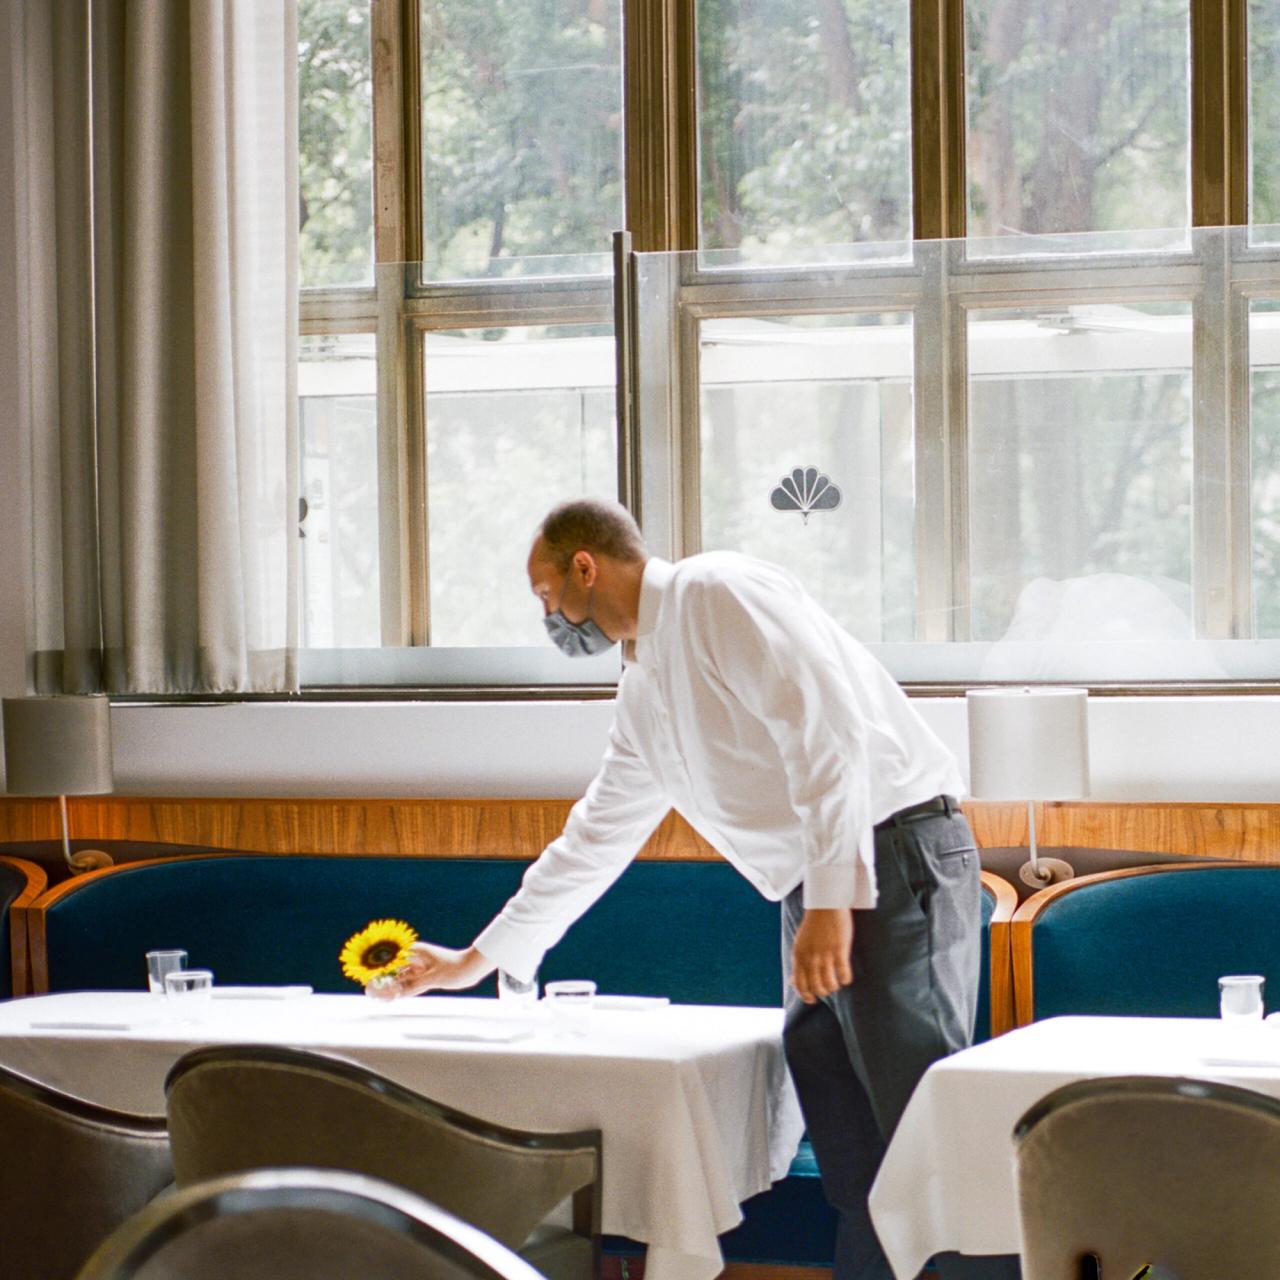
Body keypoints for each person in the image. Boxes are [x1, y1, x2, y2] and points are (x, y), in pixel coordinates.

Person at [379, 498, 989, 1280]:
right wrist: (477, 957)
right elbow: (595, 838)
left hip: (887, 856)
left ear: (585, 567)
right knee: (855, 1164)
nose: (550, 617)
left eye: (545, 594)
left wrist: (835, 900)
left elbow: (824, 728)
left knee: (925, 1147)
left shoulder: (716, 592)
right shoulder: (643, 689)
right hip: (815, 886)